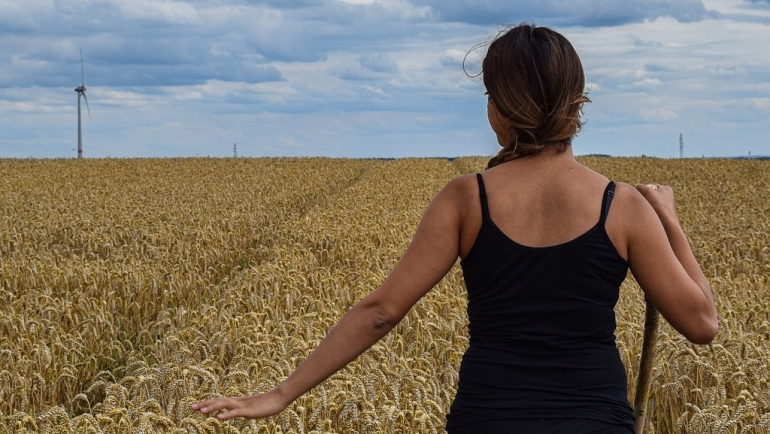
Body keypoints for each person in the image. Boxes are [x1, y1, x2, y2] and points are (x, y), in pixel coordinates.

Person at [192, 23, 717, 432]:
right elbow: (702, 323)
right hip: (595, 423)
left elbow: (380, 313)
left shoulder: (468, 199)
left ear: (501, 109)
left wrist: (281, 394)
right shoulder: (621, 205)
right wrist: (668, 221)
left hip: (488, 420)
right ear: (575, 102)